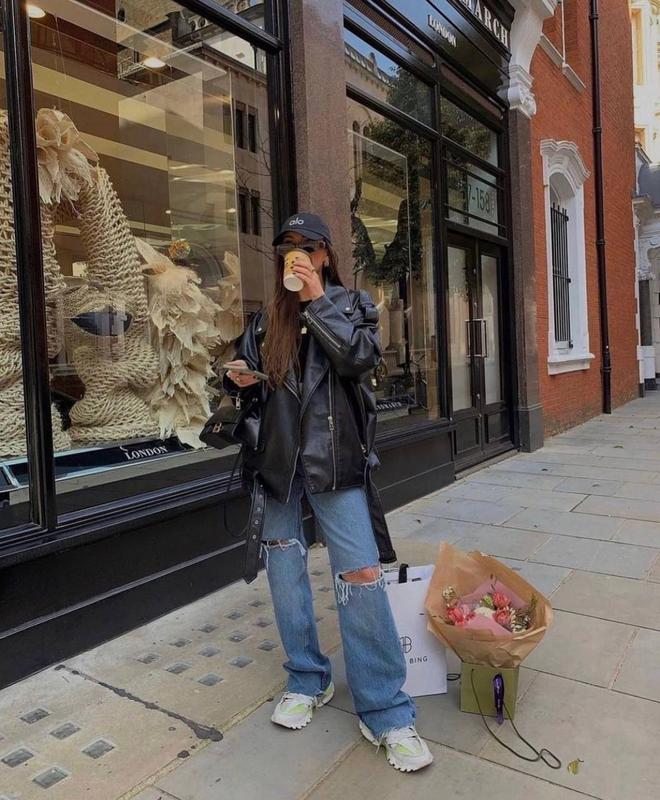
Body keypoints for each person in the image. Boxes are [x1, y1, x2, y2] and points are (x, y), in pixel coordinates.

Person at [224, 212, 433, 773]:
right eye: (286, 247)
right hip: (277, 463)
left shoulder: (352, 305)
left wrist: (316, 300)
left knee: (360, 574)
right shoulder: (266, 319)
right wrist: (237, 375)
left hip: (334, 462)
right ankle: (307, 678)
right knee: (285, 571)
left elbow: (359, 360)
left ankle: (385, 709)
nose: (295, 253)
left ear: (324, 254)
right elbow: (244, 372)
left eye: (306, 246)